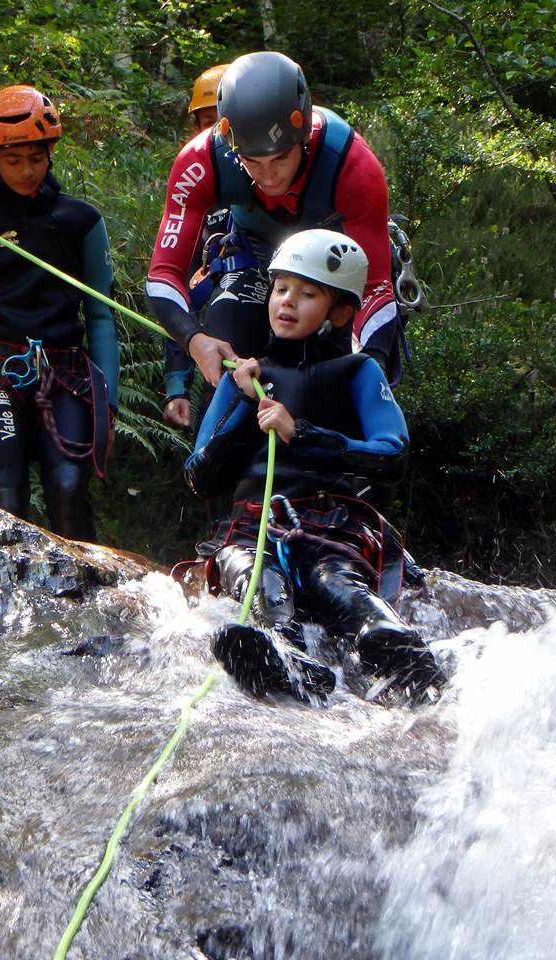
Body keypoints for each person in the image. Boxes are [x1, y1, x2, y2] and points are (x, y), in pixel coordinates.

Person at [183, 229, 444, 705]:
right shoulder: (244, 377)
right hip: (251, 528)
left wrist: (299, 432)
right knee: (253, 574)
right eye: (281, 289)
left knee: (335, 582)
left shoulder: (358, 371)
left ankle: (388, 641)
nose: (287, 302)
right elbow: (201, 475)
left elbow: (392, 453)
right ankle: (287, 656)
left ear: (340, 312)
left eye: (306, 294)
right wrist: (244, 404)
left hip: (331, 523)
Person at [147, 51, 404, 398]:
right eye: (251, 161)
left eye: (281, 157)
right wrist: (194, 339)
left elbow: (373, 285)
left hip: (332, 267)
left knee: (339, 382)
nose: (269, 176)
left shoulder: (353, 164)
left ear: (302, 138)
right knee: (227, 375)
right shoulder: (200, 161)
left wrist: (370, 364)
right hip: (253, 253)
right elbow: (163, 273)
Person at [0, 84, 117, 542]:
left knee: (69, 488)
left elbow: (100, 314)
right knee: (3, 500)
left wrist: (107, 404)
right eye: (14, 160)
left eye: (36, 158)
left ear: (50, 152)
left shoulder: (81, 220)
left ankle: (82, 600)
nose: (27, 170)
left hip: (67, 376)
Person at [163, 62, 230, 430]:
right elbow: (178, 290)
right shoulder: (191, 200)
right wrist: (177, 386)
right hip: (217, 360)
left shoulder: (282, 187)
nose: (220, 132)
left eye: (227, 119)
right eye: (208, 123)